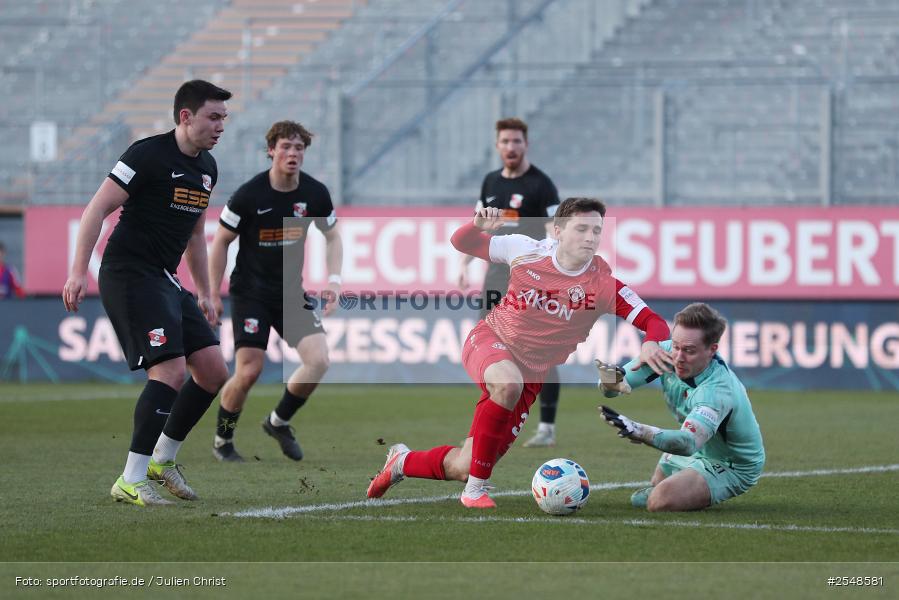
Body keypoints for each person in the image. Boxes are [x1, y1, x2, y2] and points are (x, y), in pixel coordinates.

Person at [368, 197, 674, 508]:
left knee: (465, 464)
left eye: (597, 230)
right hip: (490, 339)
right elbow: (461, 242)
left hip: (532, 374)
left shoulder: (604, 285)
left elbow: (654, 321)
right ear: (557, 231)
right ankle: (475, 491)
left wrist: (650, 341)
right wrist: (477, 226)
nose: (590, 237)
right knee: (507, 385)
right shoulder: (524, 248)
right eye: (581, 228)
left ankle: (402, 462)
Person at [62, 80, 232, 506]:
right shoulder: (146, 154)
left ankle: (162, 460)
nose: (220, 126)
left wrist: (206, 293)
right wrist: (78, 271)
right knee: (170, 371)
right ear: (185, 116)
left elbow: (195, 234)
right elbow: (96, 209)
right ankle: (131, 478)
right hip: (128, 273)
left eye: (224, 118)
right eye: (214, 117)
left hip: (164, 277)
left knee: (213, 371)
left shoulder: (208, 168)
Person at [208, 120, 342, 462]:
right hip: (250, 293)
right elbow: (221, 241)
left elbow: (332, 236)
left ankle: (278, 422)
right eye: (285, 147)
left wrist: (334, 280)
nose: (292, 153)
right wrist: (211, 292)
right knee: (249, 371)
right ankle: (223, 440)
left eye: (299, 148)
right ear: (272, 151)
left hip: (289, 293)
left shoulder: (314, 193)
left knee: (319, 360)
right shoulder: (250, 195)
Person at [597, 302, 765, 511]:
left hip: (731, 463)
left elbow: (687, 444)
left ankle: (703, 485)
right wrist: (609, 382)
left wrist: (640, 431)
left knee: (659, 501)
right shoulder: (666, 353)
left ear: (712, 350)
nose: (678, 357)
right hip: (700, 445)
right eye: (675, 346)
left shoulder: (717, 390)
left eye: (689, 351)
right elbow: (614, 388)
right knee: (653, 487)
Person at [457, 117, 563, 448]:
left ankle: (546, 425)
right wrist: (464, 264)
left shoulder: (541, 184)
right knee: (484, 344)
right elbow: (480, 227)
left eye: (517, 141)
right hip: (494, 275)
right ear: (497, 145)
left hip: (528, 278)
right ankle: (493, 416)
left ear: (525, 144)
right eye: (505, 141)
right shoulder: (490, 183)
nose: (511, 147)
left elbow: (555, 230)